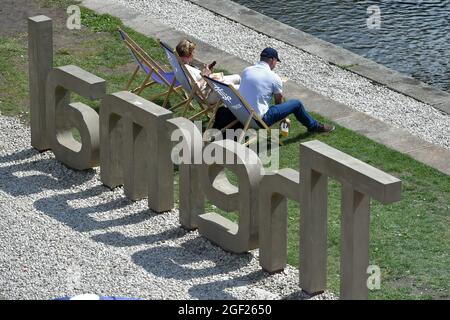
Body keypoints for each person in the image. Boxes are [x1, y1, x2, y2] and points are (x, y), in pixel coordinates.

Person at [213, 47, 335, 134]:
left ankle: (314, 126)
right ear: (272, 60)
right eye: (276, 61)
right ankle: (314, 127)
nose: (275, 64)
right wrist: (283, 117)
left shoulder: (247, 70)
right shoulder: (274, 77)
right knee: (296, 104)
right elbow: (278, 101)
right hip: (258, 120)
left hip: (240, 113)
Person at [175, 39, 241, 105]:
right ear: (188, 54)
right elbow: (195, 88)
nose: (194, 54)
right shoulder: (186, 69)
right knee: (237, 88)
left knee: (237, 77)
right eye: (193, 52)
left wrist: (206, 73)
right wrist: (205, 76)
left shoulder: (179, 64)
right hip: (208, 96)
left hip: (210, 86)